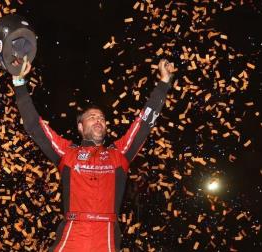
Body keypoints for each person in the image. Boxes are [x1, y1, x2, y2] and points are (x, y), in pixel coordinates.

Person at [11, 57, 175, 251]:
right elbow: (34, 126)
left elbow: (144, 122)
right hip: (73, 232)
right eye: (92, 117)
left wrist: (164, 84)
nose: (98, 120)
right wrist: (19, 83)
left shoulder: (119, 153)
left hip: (105, 236)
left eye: (102, 118)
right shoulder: (67, 152)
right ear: (80, 127)